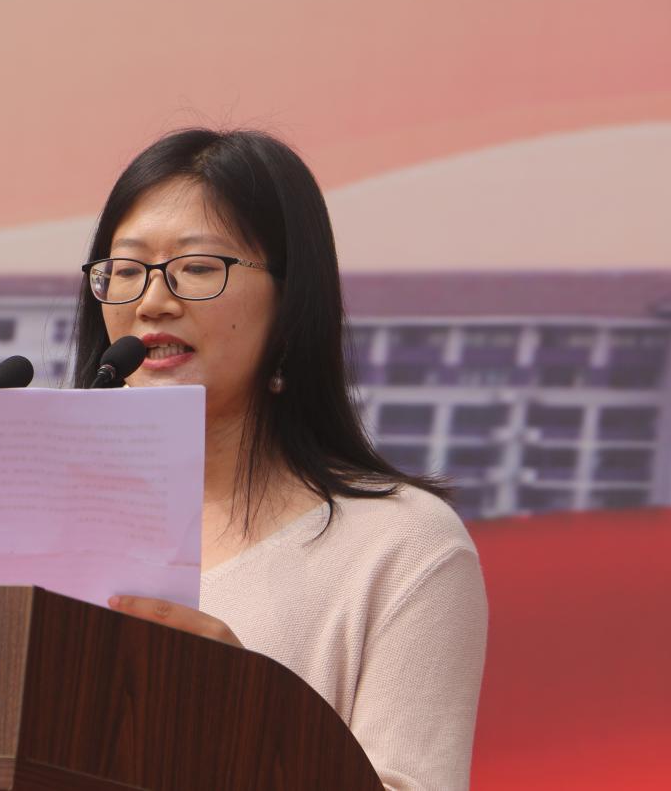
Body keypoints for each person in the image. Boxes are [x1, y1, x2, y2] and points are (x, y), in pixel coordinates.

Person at [72, 128, 488, 791]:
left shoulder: (402, 547)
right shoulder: (49, 526)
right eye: (125, 271)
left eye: (198, 267)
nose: (152, 302)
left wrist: (247, 718)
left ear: (291, 302)